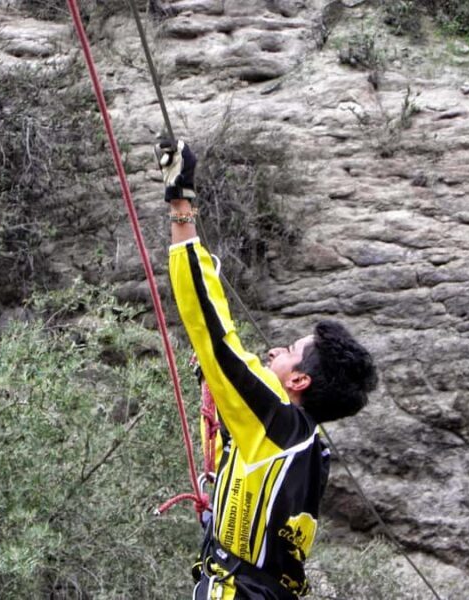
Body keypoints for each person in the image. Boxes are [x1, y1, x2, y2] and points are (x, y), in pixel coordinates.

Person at [157, 139, 379, 599]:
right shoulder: (305, 445)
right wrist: (214, 384)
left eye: (290, 350)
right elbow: (237, 458)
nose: (275, 349)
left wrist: (182, 205)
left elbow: (211, 329)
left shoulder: (277, 422)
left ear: (298, 381)